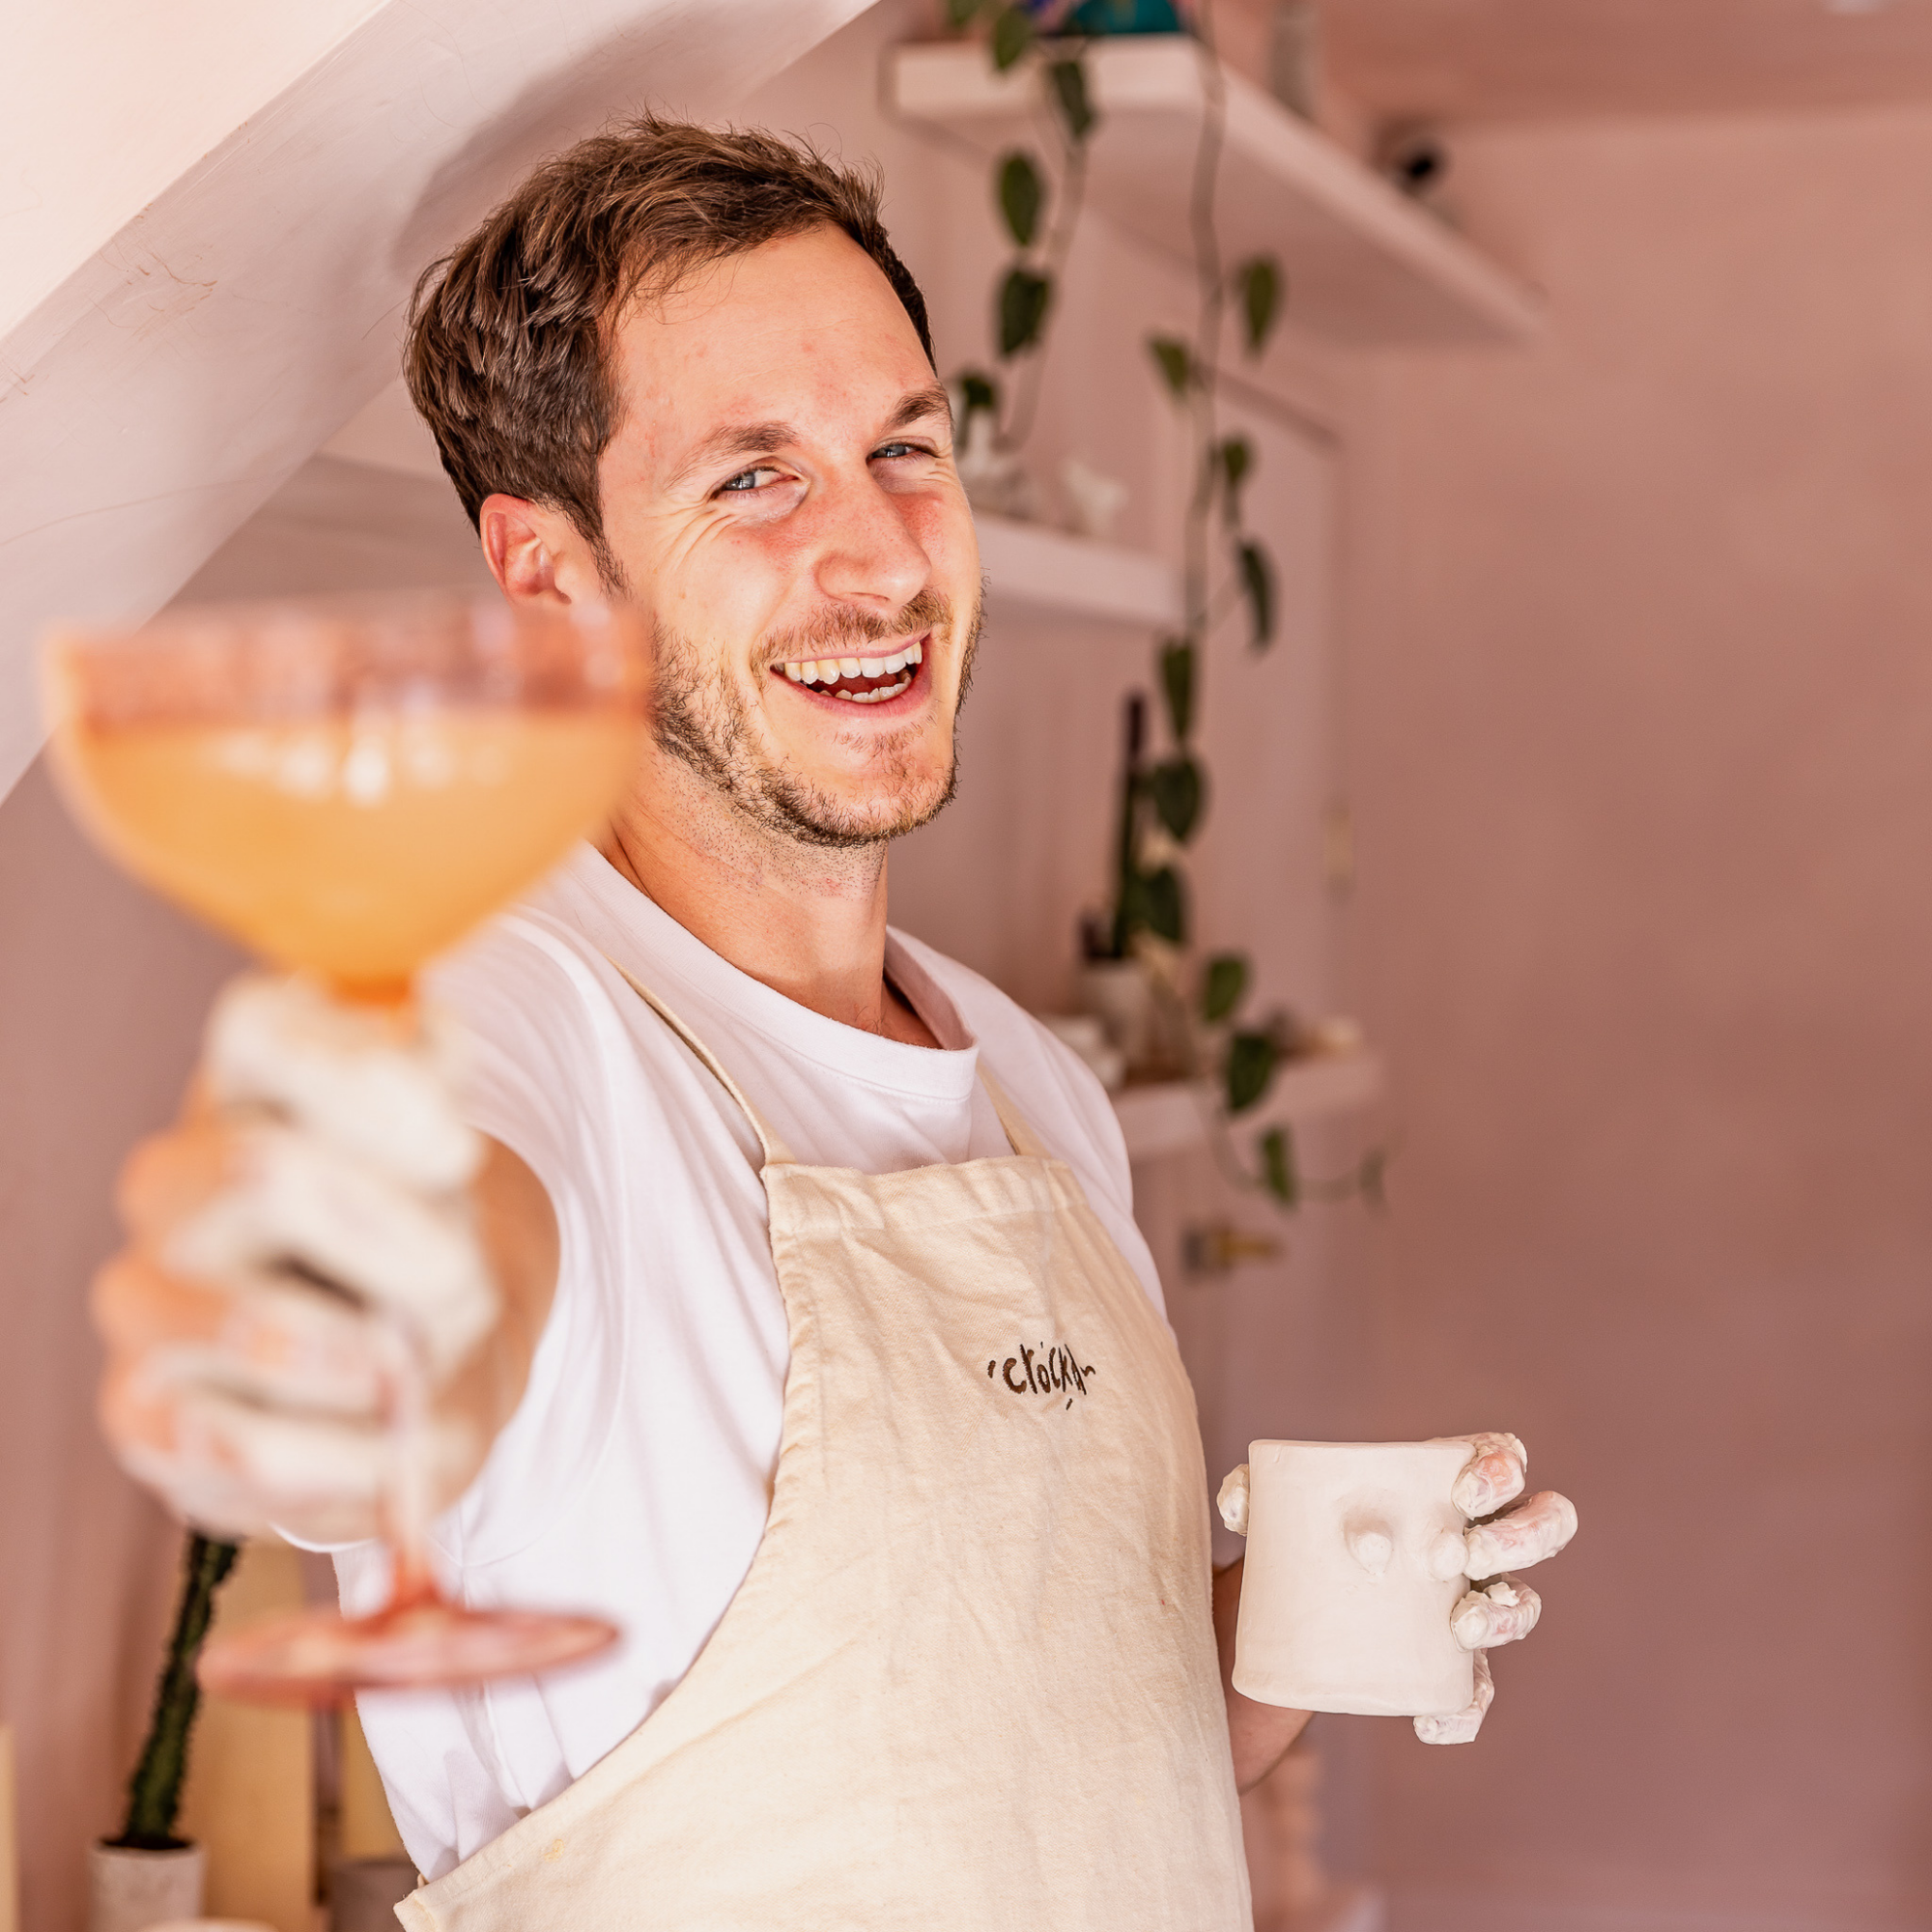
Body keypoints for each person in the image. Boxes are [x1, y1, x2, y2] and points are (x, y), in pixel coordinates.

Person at [93, 120, 1577, 1925]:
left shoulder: (1031, 1088)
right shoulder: (515, 1035)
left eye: (903, 449)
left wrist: (1304, 1625)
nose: (879, 556)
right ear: (552, 576)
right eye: (753, 480)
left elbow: (1058, 1741)